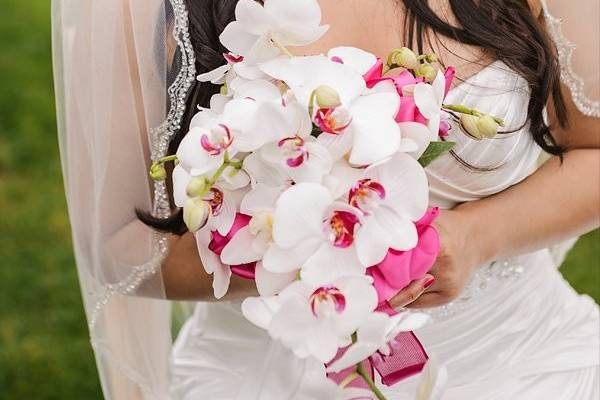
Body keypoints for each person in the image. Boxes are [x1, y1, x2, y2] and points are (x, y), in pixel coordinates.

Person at [53, 0, 599, 399]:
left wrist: (478, 237)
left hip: (520, 358)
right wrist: (311, 260)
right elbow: (117, 246)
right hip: (269, 374)